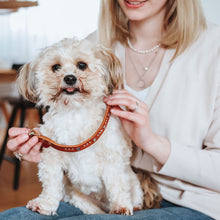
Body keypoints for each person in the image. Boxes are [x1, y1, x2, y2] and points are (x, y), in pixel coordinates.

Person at [1, 0, 219, 219]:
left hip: (193, 201)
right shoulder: (92, 45)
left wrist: (151, 142)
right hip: (92, 198)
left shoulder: (213, 48)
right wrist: (51, 149)